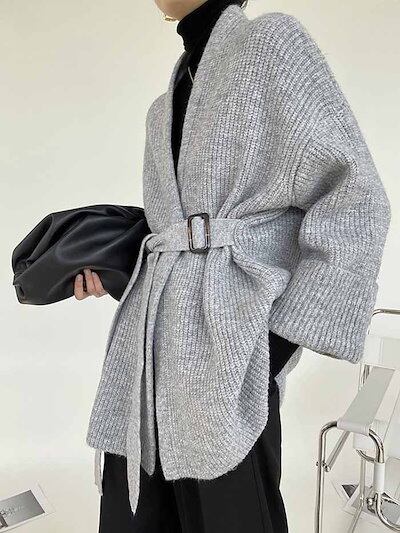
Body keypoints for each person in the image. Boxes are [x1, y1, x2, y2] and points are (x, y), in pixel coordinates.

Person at [75, 0, 391, 531]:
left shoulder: (270, 45)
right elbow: (176, 237)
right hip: (147, 365)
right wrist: (117, 273)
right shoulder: (163, 107)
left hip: (227, 362)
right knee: (141, 517)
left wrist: (270, 347)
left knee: (231, 518)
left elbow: (357, 199)